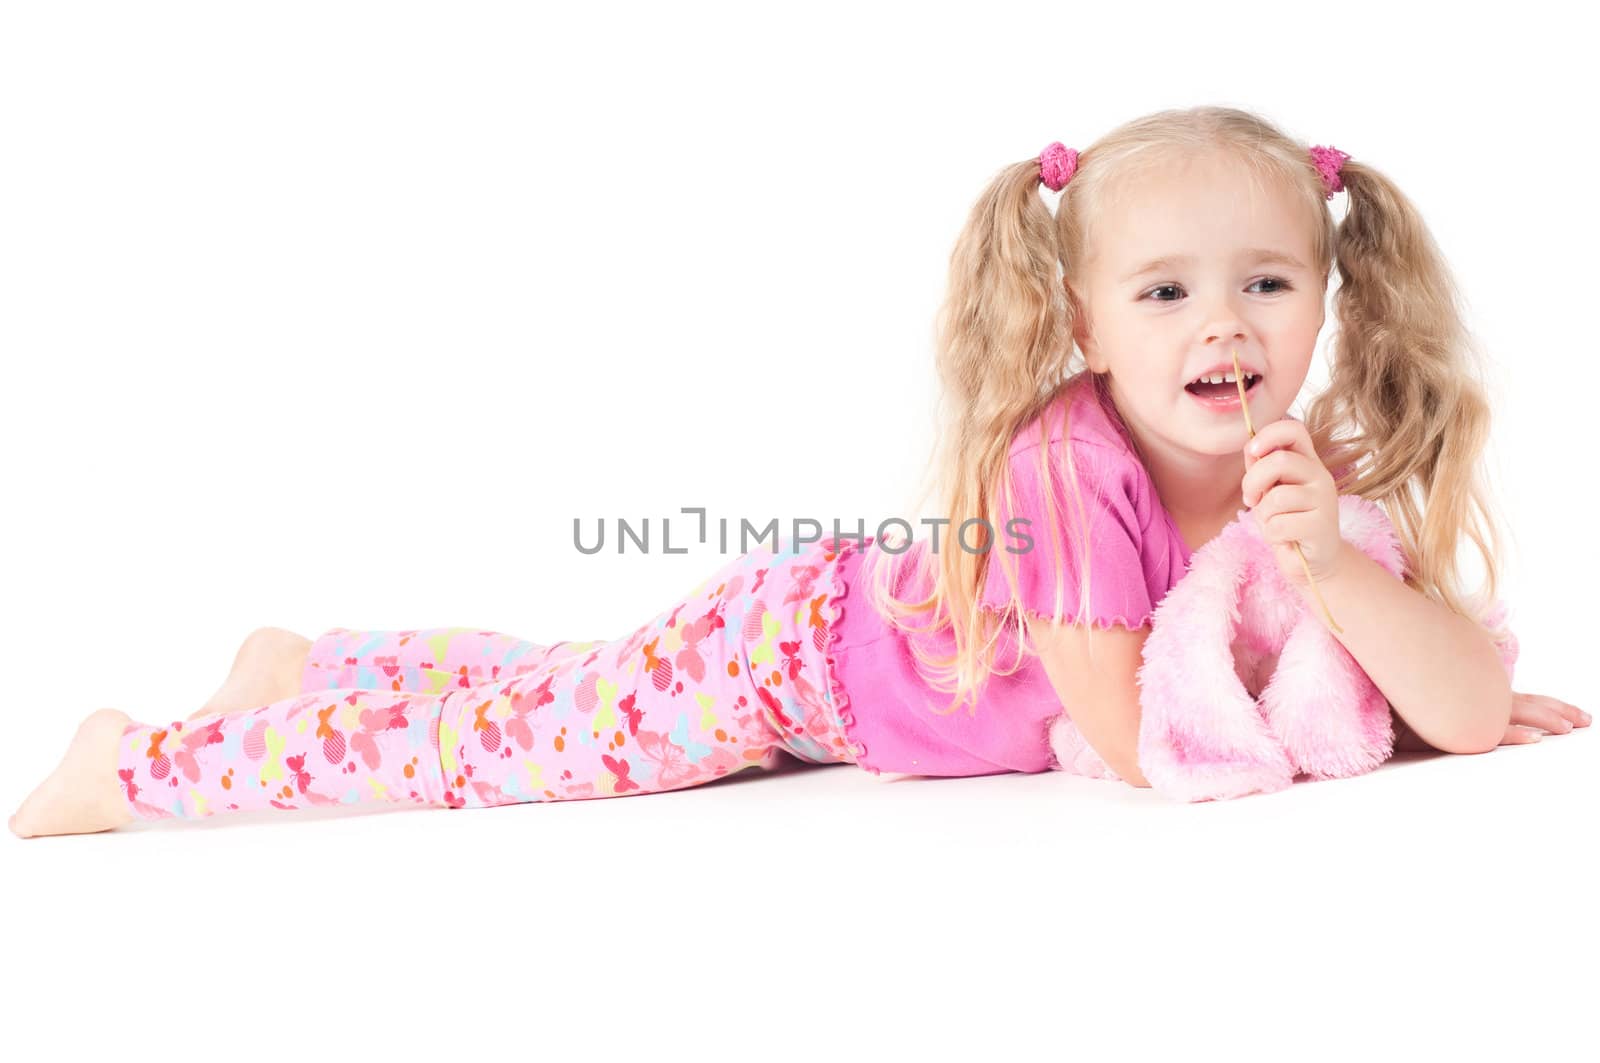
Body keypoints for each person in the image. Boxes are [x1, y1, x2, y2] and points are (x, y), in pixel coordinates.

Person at [10, 104, 1588, 838]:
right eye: (1165, 291)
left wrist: (1345, 595)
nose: (1222, 325)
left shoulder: (1306, 472)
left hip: (839, 634)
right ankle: (137, 768)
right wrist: (1364, 705)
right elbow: (1145, 743)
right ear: (1087, 323)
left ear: (1328, 296)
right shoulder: (1068, 467)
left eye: (1267, 283)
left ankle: (304, 664)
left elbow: (1452, 706)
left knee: (565, 679)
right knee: (520, 749)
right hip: (795, 665)